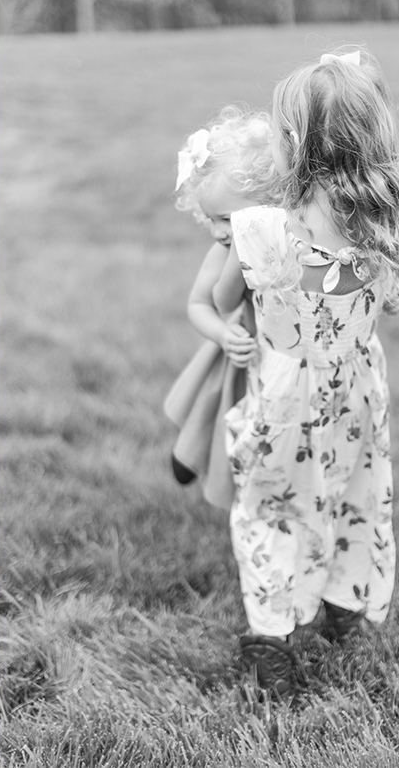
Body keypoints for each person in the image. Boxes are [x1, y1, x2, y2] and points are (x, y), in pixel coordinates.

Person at [213, 48, 399, 698]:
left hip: (288, 403)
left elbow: (217, 258)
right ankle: (347, 601)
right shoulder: (382, 226)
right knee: (353, 494)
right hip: (356, 395)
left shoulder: (265, 231)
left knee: (271, 511)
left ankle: (270, 636)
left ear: (296, 145)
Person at [163, 107, 276, 509]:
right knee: (218, 420)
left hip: (279, 367)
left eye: (225, 219)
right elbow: (199, 305)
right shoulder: (221, 250)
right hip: (235, 358)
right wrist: (222, 332)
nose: (217, 231)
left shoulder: (284, 246)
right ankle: (189, 459)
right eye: (210, 218)